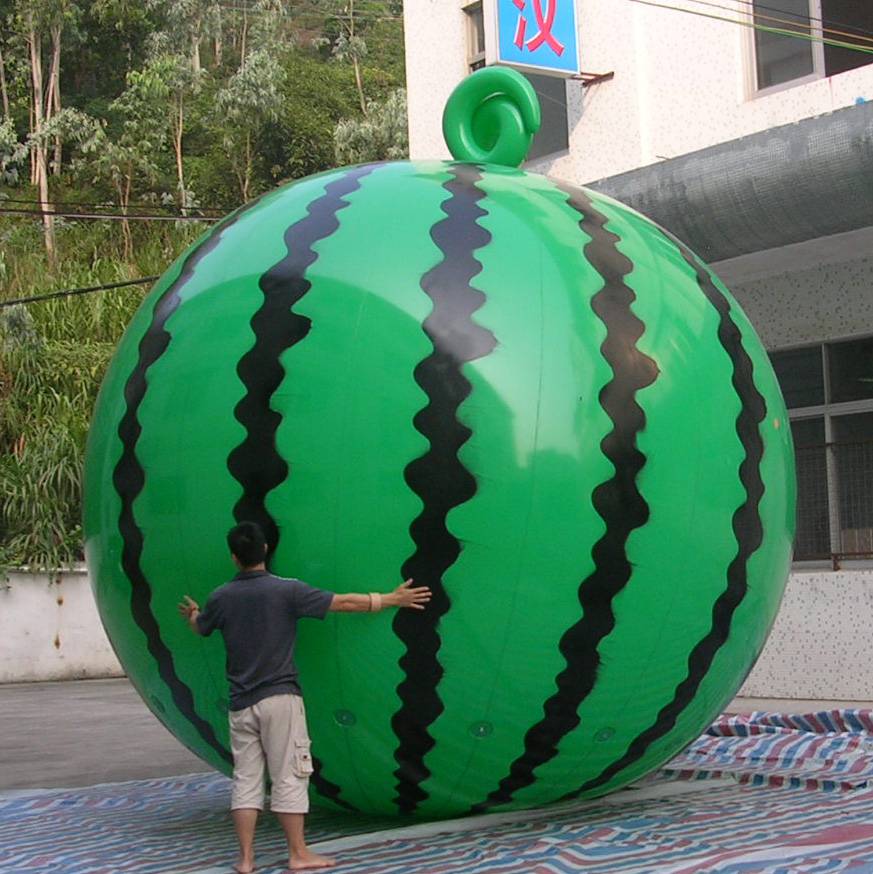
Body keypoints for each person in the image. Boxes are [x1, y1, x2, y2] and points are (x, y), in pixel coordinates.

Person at [178, 521, 431, 873]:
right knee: (289, 776)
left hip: (241, 704)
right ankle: (298, 853)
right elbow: (343, 602)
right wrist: (390, 599)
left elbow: (200, 627)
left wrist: (192, 615)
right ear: (265, 550)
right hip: (280, 699)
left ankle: (246, 859)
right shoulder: (287, 591)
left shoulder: (220, 597)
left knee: (247, 780)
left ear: (234, 557)